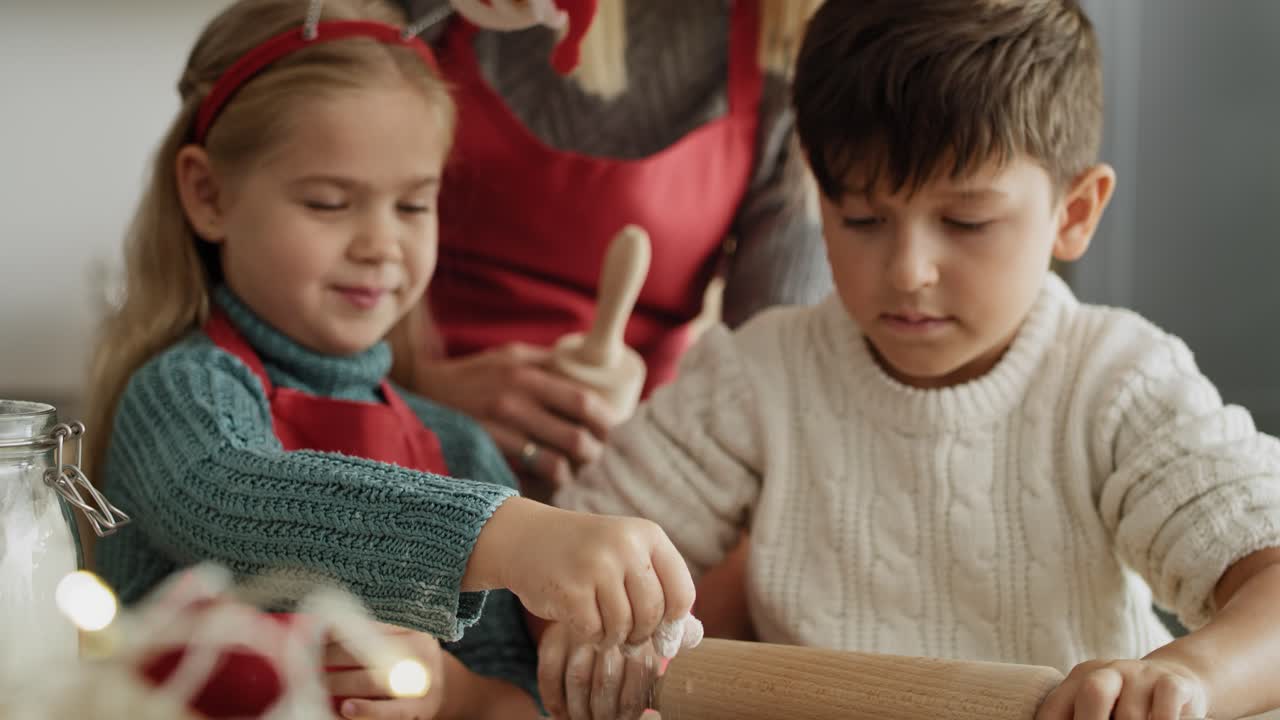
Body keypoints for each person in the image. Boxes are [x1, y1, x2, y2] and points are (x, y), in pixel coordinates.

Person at [548, 1, 1280, 719]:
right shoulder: (758, 375)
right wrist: (603, 639)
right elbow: (567, 565)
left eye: (965, 221)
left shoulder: (1118, 379)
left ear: (1075, 212)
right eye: (861, 218)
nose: (907, 270)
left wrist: (1190, 677)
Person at [83, 1, 697, 718]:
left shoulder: (458, 446)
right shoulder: (179, 394)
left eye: (413, 207)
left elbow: (518, 700)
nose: (381, 244)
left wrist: (449, 690)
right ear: (207, 193)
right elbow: (227, 499)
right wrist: (513, 535)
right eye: (329, 202)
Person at [393, 0, 830, 494]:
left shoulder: (793, 54)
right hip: (380, 425)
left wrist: (639, 459)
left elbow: (771, 396)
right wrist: (414, 386)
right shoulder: (446, 13)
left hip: (622, 485)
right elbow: (298, 252)